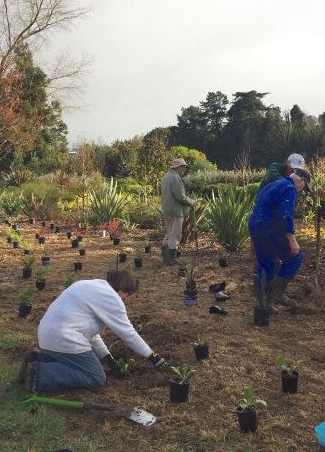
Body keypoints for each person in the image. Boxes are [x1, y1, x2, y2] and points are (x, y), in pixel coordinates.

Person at [22, 270, 166, 393]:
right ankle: (39, 374)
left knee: (77, 363)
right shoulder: (112, 298)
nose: (126, 299)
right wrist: (152, 356)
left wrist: (107, 358)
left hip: (48, 335)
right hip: (65, 338)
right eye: (128, 295)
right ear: (123, 289)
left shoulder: (89, 285)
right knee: (95, 377)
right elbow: (128, 333)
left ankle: (37, 359)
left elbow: (89, 332)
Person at [248, 169, 310, 311]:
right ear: (300, 180)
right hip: (268, 226)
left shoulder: (273, 185)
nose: (302, 191)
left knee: (266, 262)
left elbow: (257, 207)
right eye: (304, 187)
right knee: (295, 257)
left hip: (255, 225)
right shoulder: (290, 188)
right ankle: (274, 294)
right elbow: (285, 215)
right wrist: (292, 240)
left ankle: (263, 303)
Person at [160, 158, 195, 265]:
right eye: (183, 166)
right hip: (176, 211)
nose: (184, 169)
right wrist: (191, 201)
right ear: (177, 167)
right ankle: (172, 259)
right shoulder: (175, 178)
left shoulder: (166, 176)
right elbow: (180, 197)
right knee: (175, 235)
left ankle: (166, 258)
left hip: (167, 210)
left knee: (169, 233)